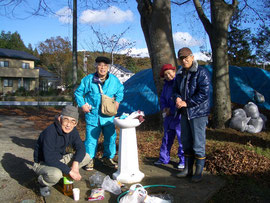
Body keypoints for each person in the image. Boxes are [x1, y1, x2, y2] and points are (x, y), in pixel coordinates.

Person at [74, 56, 124, 171]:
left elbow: (120, 91)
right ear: (96, 66)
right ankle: (89, 159)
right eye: (100, 65)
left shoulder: (114, 80)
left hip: (108, 116)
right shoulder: (88, 79)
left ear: (108, 67)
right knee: (91, 139)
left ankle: (108, 158)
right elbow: (78, 92)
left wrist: (117, 102)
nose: (102, 68)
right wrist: (82, 105)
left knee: (110, 138)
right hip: (93, 116)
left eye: (105, 66)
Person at [33, 105, 91, 196]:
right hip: (43, 163)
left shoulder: (73, 130)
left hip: (60, 159)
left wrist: (75, 165)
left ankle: (62, 174)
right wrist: (69, 171)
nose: (69, 124)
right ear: (60, 118)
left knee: (87, 157)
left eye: (73, 121)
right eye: (66, 120)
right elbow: (49, 158)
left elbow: (81, 148)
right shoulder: (49, 132)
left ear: (76, 123)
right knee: (56, 174)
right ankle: (42, 182)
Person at [173, 47, 210, 182]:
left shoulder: (201, 73)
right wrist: (177, 98)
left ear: (192, 57)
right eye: (181, 58)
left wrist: (187, 103)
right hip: (184, 113)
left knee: (198, 143)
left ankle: (198, 172)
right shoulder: (180, 73)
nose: (184, 60)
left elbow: (204, 94)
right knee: (186, 141)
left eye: (186, 57)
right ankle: (187, 169)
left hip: (198, 113)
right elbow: (175, 90)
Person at [154, 64, 185, 169]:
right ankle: (163, 158)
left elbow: (180, 98)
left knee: (182, 139)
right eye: (165, 74)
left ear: (174, 71)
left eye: (169, 72)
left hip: (179, 115)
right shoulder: (166, 85)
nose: (168, 76)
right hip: (169, 117)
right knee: (166, 138)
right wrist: (164, 108)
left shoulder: (179, 82)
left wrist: (172, 110)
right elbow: (162, 98)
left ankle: (183, 161)